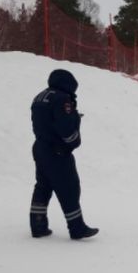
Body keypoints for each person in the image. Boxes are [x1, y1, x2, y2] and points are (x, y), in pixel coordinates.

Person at [29, 69, 99, 240]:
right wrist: (75, 121)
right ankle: (77, 228)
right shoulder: (62, 99)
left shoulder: (40, 97)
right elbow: (67, 131)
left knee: (43, 186)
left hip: (40, 147)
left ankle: (37, 225)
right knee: (69, 187)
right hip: (57, 151)